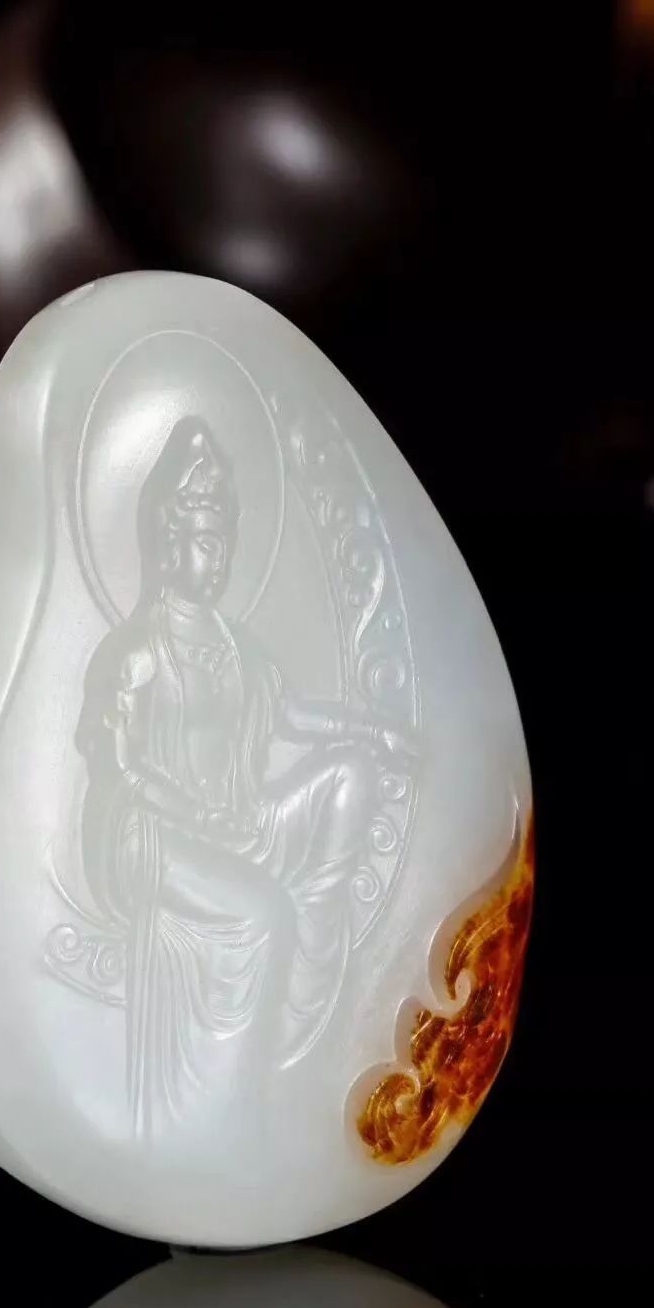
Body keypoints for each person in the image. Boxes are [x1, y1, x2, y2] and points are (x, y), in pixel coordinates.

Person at [76, 416, 409, 1134]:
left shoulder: (238, 648)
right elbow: (117, 765)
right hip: (154, 837)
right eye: (203, 541)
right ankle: (230, 1106)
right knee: (261, 914)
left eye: (224, 541)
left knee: (349, 775)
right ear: (169, 548)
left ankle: (306, 983)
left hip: (237, 823)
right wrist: (192, 815)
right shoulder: (136, 652)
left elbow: (292, 716)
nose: (217, 558)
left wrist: (369, 731)